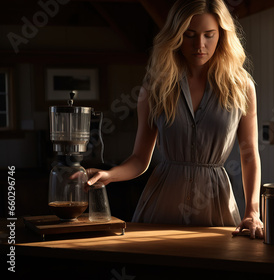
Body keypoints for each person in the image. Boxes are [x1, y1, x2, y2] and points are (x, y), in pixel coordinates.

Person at [86, 0, 263, 238]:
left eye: (209, 35)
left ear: (222, 35)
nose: (200, 45)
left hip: (214, 202)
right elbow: (140, 158)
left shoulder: (242, 87)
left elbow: (249, 153)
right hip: (161, 203)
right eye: (189, 35)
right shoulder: (155, 87)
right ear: (176, 36)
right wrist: (109, 175)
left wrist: (253, 211)